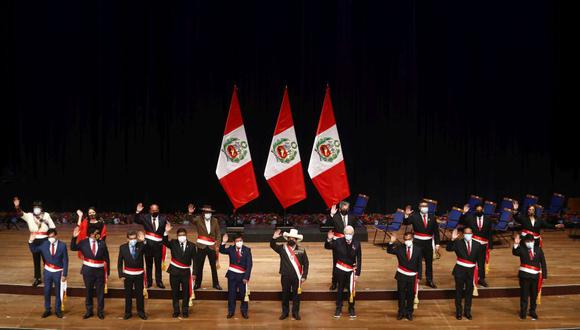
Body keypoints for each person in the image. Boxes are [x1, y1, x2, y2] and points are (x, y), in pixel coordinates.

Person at [13, 197, 56, 287]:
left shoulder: (46, 215)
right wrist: (17, 207)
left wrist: (51, 238)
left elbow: (52, 227)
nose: (36, 208)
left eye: (38, 207)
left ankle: (48, 278)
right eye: (35, 207)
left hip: (45, 239)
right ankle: (37, 278)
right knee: (36, 260)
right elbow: (20, 214)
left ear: (41, 208)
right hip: (34, 240)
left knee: (46, 260)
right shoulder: (29, 215)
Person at [71, 226, 110, 319]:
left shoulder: (102, 243)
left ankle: (100, 311)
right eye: (96, 233)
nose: (97, 235)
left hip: (100, 271)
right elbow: (73, 248)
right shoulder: (83, 242)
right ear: (91, 234)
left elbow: (107, 258)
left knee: (100, 293)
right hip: (88, 271)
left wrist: (107, 272)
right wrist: (74, 237)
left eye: (98, 233)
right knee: (88, 291)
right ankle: (89, 311)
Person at [28, 228, 68, 318]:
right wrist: (31, 241)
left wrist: (64, 274)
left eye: (53, 236)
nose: (51, 238)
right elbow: (34, 250)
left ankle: (58, 310)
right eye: (49, 237)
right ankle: (47, 309)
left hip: (58, 272)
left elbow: (65, 260)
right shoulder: (44, 244)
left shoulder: (62, 245)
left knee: (58, 292)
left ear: (56, 236)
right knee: (47, 291)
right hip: (47, 272)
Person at [270, 228, 309, 320]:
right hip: (285, 276)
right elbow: (272, 245)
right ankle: (285, 313)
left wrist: (304, 276)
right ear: (287, 239)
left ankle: (295, 313)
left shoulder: (301, 250)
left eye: (293, 238)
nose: (291, 240)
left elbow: (306, 263)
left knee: (296, 296)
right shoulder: (282, 248)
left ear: (296, 240)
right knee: (285, 295)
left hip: (297, 277)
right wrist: (274, 238)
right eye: (290, 238)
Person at [325, 225, 361, 319]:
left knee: (351, 290)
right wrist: (329, 239)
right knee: (340, 289)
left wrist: (357, 273)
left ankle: (351, 308)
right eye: (346, 233)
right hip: (340, 269)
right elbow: (328, 246)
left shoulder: (357, 243)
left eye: (350, 233)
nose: (348, 235)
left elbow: (359, 258)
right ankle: (338, 308)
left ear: (353, 234)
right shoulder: (338, 241)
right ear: (344, 234)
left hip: (351, 271)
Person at [446, 227, 482, 320]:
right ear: (463, 234)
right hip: (460, 271)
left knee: (469, 293)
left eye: (469, 233)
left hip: (471, 272)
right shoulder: (458, 243)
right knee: (458, 292)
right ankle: (458, 312)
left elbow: (480, 260)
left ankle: (467, 312)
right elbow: (448, 249)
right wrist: (452, 239)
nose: (468, 235)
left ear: (472, 234)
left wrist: (479, 275)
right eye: (466, 233)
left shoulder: (477, 244)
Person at [403, 201, 441, 288]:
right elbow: (406, 222)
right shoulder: (414, 216)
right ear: (419, 208)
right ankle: (415, 279)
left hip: (428, 243)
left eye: (426, 206)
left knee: (429, 262)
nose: (425, 207)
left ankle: (429, 280)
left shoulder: (432, 217)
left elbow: (436, 231)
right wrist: (406, 215)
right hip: (417, 242)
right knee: (416, 262)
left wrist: (437, 243)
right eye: (423, 206)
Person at [163, 224, 197, 318]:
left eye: (183, 235)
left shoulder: (192, 246)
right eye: (180, 235)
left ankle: (185, 310)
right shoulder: (173, 243)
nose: (181, 237)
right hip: (174, 272)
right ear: (177, 236)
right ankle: (176, 310)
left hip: (186, 273)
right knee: (175, 292)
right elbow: (164, 241)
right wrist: (166, 232)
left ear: (186, 235)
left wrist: (194, 273)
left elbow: (195, 260)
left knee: (186, 293)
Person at [387, 232, 422, 320]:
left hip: (412, 276)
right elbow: (389, 251)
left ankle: (409, 312)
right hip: (401, 275)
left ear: (412, 239)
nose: (407, 241)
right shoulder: (400, 248)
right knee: (401, 295)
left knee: (411, 295)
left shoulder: (418, 249)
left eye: (409, 239)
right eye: (405, 239)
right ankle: (401, 312)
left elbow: (420, 264)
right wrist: (391, 242)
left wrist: (419, 277)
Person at [513, 234, 547, 320]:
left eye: (530, 241)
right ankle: (523, 312)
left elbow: (543, 263)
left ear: (533, 241)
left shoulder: (538, 250)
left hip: (535, 277)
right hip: (524, 276)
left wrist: (544, 276)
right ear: (524, 242)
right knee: (524, 295)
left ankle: (532, 311)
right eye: (527, 241)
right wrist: (516, 244)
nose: (529, 243)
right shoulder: (522, 249)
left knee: (534, 295)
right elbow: (515, 252)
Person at [459, 203, 494, 287]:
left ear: (483, 210)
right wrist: (464, 213)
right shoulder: (470, 218)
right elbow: (461, 221)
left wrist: (490, 245)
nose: (479, 211)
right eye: (477, 210)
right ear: (475, 211)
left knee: (481, 262)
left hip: (483, 244)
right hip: (473, 243)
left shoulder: (488, 219)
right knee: (471, 261)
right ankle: (469, 278)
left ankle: (481, 279)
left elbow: (490, 232)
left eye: (480, 210)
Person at [220, 233, 253, 319]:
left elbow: (249, 265)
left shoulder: (247, 250)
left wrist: (246, 277)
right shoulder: (231, 249)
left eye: (240, 240)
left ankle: (244, 311)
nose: (239, 242)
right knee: (231, 295)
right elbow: (221, 250)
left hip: (242, 277)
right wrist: (223, 242)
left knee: (243, 295)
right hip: (232, 276)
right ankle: (231, 311)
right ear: (234, 242)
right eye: (237, 241)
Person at [135, 202, 167, 288]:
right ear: (150, 211)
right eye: (153, 210)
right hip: (148, 246)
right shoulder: (145, 217)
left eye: (156, 210)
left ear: (158, 210)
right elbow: (136, 220)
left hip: (159, 245)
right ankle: (149, 281)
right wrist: (138, 212)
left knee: (158, 265)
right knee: (149, 265)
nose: (154, 211)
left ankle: (159, 281)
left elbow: (165, 230)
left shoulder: (163, 218)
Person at [117, 230, 148, 320]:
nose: (133, 240)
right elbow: (119, 262)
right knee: (128, 294)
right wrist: (121, 274)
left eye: (135, 238)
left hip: (139, 274)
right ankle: (127, 312)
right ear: (127, 239)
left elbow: (148, 249)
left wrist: (144, 240)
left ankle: (141, 312)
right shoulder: (122, 247)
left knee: (139, 294)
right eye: (131, 238)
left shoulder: (141, 245)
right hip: (128, 275)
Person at [192, 205, 222, 290]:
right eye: (206, 212)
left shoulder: (215, 221)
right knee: (199, 266)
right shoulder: (198, 219)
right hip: (201, 246)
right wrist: (190, 213)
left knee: (213, 266)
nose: (208, 213)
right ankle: (197, 284)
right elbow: (191, 220)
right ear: (203, 212)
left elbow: (218, 234)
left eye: (209, 212)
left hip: (211, 246)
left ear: (211, 213)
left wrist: (217, 245)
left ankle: (216, 284)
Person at [328, 201, 355, 290]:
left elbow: (353, 230)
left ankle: (347, 282)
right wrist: (331, 215)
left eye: (347, 208)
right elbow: (327, 224)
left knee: (349, 261)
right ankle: (334, 282)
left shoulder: (352, 217)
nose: (345, 209)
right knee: (336, 262)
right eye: (343, 208)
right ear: (340, 208)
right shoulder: (335, 217)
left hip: (349, 242)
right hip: (337, 243)